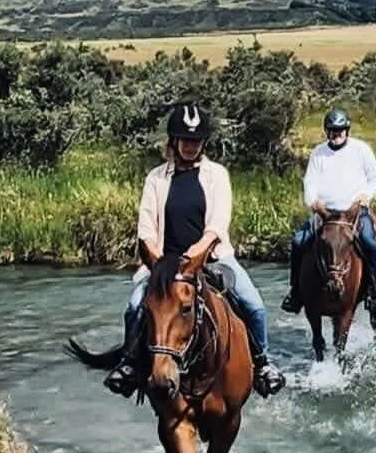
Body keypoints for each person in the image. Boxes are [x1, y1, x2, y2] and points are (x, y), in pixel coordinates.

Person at [106, 102, 286, 399]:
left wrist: (194, 256)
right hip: (165, 264)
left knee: (253, 304)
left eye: (196, 141)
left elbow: (216, 226)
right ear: (174, 141)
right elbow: (146, 228)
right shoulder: (156, 178)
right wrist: (157, 262)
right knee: (135, 307)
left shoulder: (217, 175)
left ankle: (262, 362)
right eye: (185, 140)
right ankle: (129, 364)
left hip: (212, 259)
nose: (190, 146)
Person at [281, 107, 376, 326]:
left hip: (354, 212)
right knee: (299, 242)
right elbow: (310, 182)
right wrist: (313, 201)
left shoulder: (361, 150)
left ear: (347, 130)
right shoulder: (318, 153)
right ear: (327, 131)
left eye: (339, 130)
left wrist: (366, 196)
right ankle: (295, 292)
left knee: (369, 242)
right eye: (332, 130)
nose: (336, 134)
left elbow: (375, 178)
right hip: (325, 213)